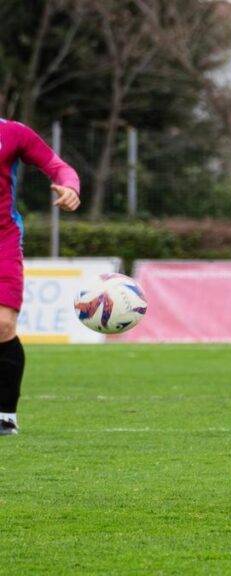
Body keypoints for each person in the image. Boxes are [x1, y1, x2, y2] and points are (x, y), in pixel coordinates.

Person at [0, 119, 80, 436]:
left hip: (3, 241)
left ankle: (5, 415)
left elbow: (58, 166)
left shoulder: (13, 133)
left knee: (3, 325)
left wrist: (70, 187)